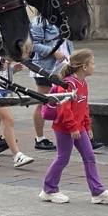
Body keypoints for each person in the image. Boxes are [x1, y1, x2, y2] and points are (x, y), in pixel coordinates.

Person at [40, 49, 108, 204]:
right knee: (63, 158)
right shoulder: (68, 83)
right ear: (84, 66)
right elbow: (64, 109)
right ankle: (49, 189)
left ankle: (97, 192)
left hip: (78, 128)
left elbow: (84, 107)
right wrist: (72, 128)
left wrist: (86, 126)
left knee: (89, 157)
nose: (94, 66)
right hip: (64, 128)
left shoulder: (83, 83)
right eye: (93, 63)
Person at [0, 56, 35, 169]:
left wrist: (13, 69)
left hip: (2, 89)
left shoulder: (2, 51)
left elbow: (3, 74)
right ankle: (17, 155)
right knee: (8, 119)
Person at [29, 14, 70, 151]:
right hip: (45, 68)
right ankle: (39, 138)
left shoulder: (60, 18)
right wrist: (53, 52)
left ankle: (79, 132)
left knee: (68, 99)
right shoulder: (39, 22)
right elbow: (33, 45)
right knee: (42, 102)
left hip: (64, 65)